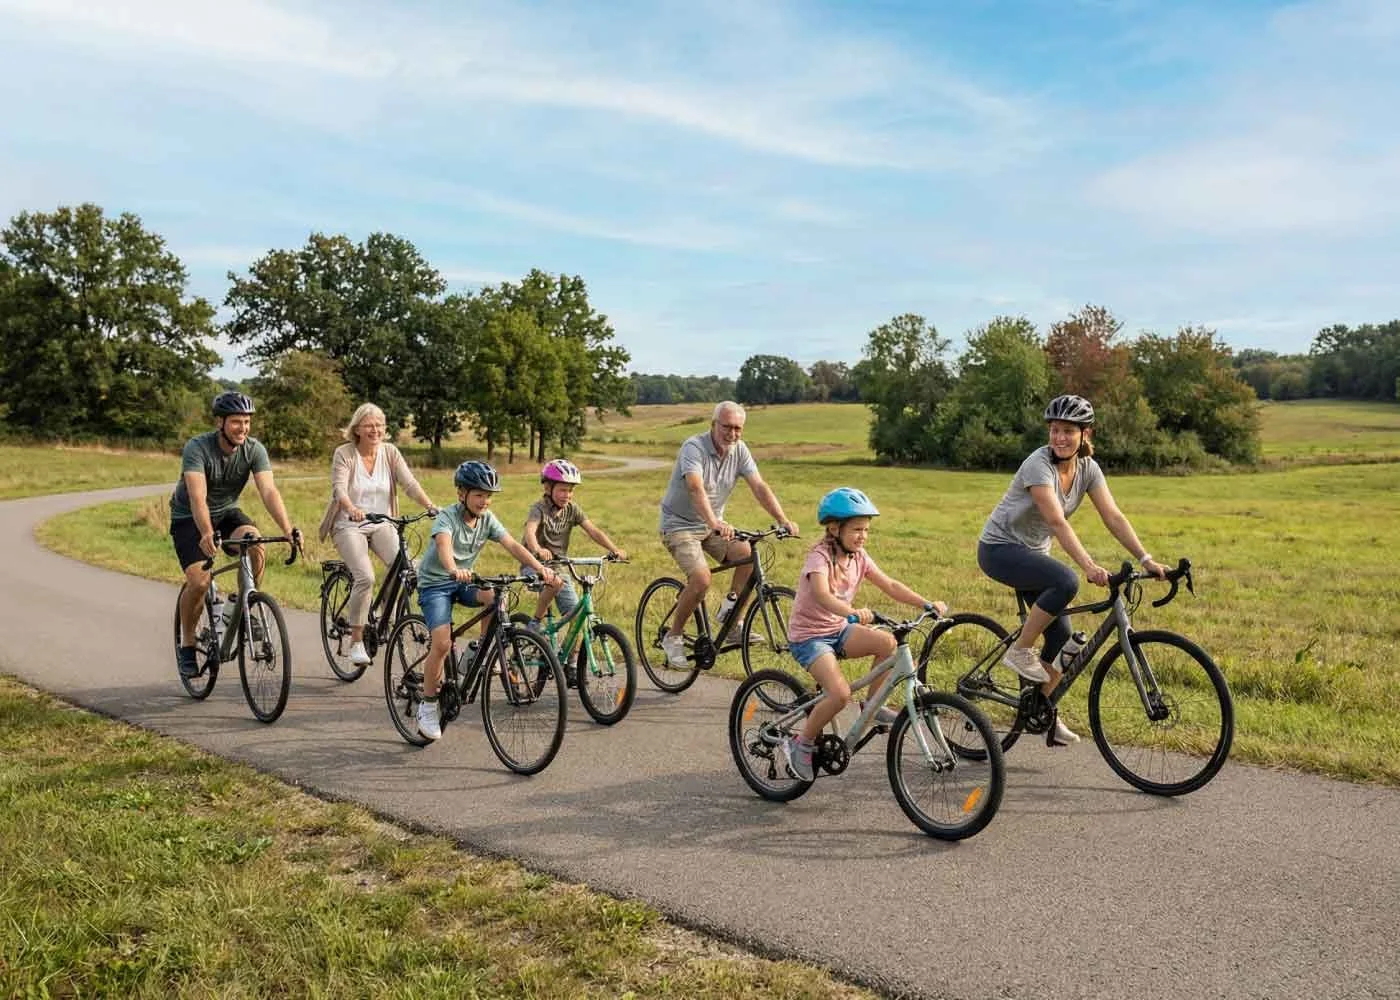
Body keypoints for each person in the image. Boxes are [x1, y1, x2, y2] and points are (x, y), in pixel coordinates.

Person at [977, 394, 1167, 745]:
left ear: (1085, 434)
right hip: (999, 550)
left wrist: (1145, 559)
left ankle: (1043, 711)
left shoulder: (1088, 470)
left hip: (1033, 552)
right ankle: (1019, 650)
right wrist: (1090, 567)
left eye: (1068, 431)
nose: (1060, 437)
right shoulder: (1038, 465)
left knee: (1063, 638)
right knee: (1066, 580)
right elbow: (1057, 522)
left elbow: (1113, 516)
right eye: (1054, 430)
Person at [780, 487, 945, 782]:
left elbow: (890, 585)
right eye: (857, 529)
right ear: (834, 528)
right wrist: (851, 612)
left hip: (839, 629)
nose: (863, 535)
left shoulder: (860, 557)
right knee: (839, 695)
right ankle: (801, 744)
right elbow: (820, 594)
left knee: (889, 643)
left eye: (866, 529)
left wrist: (926, 603)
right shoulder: (819, 557)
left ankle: (873, 708)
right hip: (810, 637)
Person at [413, 460, 560, 742]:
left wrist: (540, 570)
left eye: (488, 495)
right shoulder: (446, 517)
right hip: (437, 584)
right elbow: (444, 547)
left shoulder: (488, 519)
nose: (485, 501)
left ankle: (480, 649)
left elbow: (514, 545)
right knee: (442, 644)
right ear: (462, 494)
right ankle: (429, 704)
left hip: (466, 582)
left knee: (495, 597)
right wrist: (454, 567)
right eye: (479, 494)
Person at [656, 401, 799, 669]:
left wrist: (783, 519)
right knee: (701, 579)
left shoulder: (739, 450)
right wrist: (714, 522)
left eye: (738, 428)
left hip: (712, 524)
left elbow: (759, 486)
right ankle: (673, 637)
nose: (732, 434)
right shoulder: (694, 448)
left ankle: (732, 618)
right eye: (727, 427)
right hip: (679, 525)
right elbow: (696, 488)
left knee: (746, 553)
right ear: (713, 425)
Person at [171, 391, 301, 678]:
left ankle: (241, 604)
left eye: (246, 422)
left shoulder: (254, 450)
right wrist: (206, 532)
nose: (243, 428)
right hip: (189, 518)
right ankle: (188, 644)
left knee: (255, 543)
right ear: (220, 423)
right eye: (236, 422)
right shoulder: (197, 448)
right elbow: (197, 496)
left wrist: (286, 529)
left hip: (227, 512)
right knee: (200, 582)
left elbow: (268, 491)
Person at [316, 403, 439, 666]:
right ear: (357, 428)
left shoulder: (390, 453)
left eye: (380, 425)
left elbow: (410, 484)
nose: (376, 430)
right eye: (370, 425)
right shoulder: (344, 453)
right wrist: (352, 509)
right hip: (349, 524)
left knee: (404, 567)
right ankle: (356, 641)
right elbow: (339, 490)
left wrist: (429, 506)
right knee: (366, 577)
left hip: (383, 522)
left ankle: (383, 613)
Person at [520, 459, 627, 653]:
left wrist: (614, 549)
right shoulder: (538, 508)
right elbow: (530, 531)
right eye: (562, 490)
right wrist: (537, 549)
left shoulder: (572, 509)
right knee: (555, 582)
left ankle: (569, 662)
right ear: (548, 487)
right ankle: (535, 622)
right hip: (534, 564)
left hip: (559, 566)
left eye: (570, 490)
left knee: (577, 618)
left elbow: (593, 530)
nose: (567, 495)